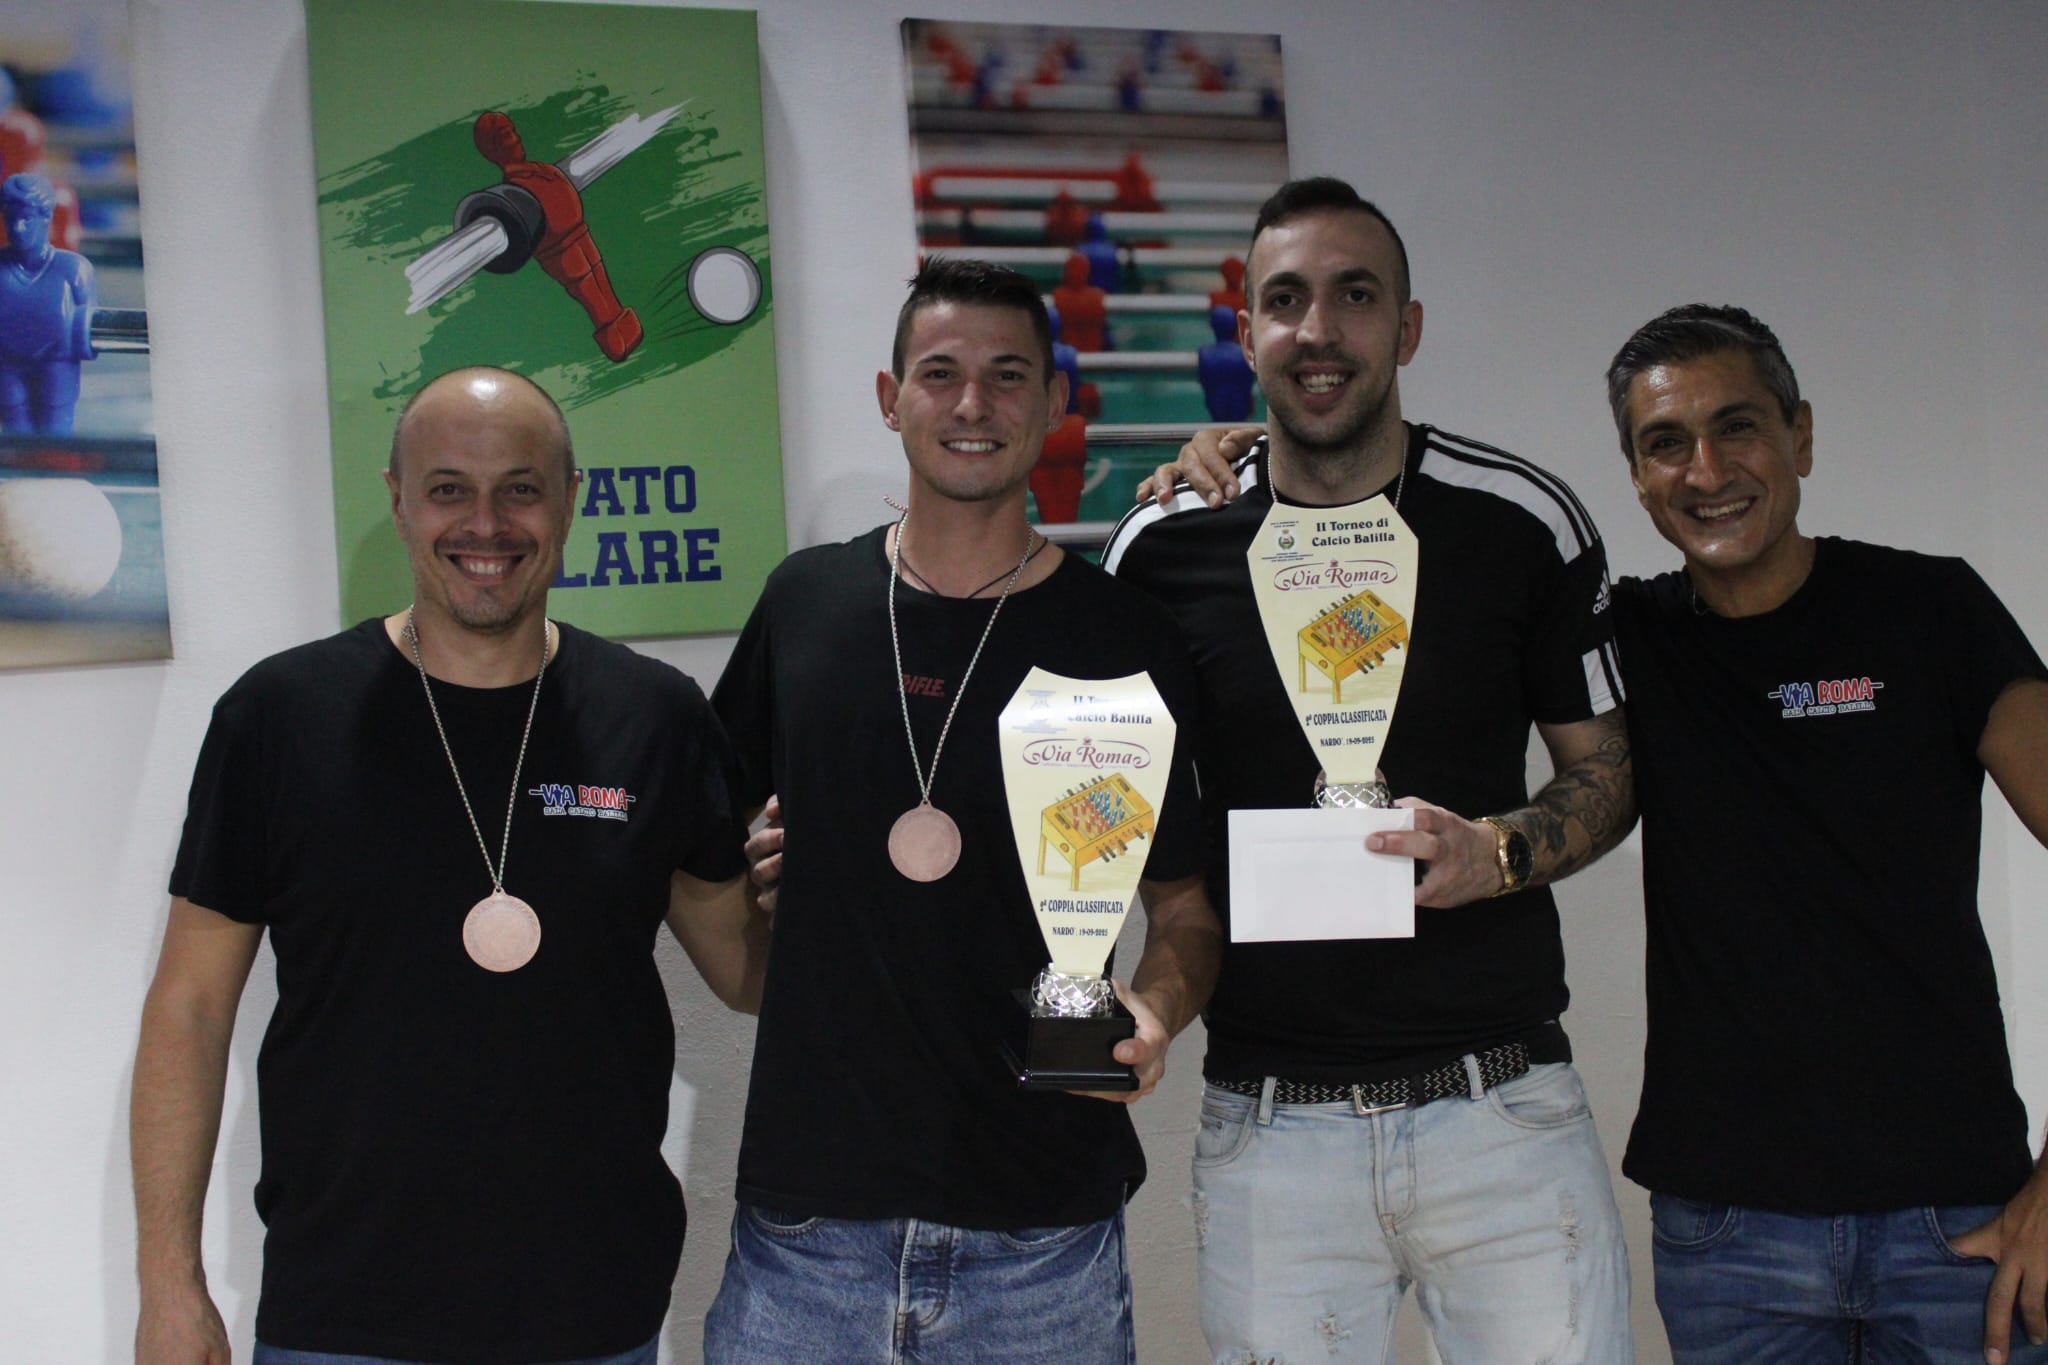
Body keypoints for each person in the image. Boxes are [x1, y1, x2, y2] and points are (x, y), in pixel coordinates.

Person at [130, 367, 763, 1365]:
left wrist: (839, 879)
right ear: (397, 500)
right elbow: (189, 1010)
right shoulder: (279, 719)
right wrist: (169, 1285)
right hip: (342, 1317)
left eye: (521, 488)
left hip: (591, 1314)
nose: (486, 524)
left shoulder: (655, 718)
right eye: (447, 490)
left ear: (570, 499)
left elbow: (746, 972)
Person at [1116, 176, 1636, 1363]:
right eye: (1284, 300)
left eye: (1354, 296)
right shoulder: (1161, 545)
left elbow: (1607, 770)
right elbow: (1119, 810)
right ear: (1243, 329)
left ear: (1405, 328)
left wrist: (1496, 853)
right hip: (1271, 1133)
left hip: (1502, 1115)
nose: (1318, 329)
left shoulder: (1516, 521)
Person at [704, 257, 1222, 1364]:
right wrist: (753, 932)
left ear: (1054, 402)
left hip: (1043, 1238)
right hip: (808, 1232)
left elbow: (1184, 909)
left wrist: (1157, 1009)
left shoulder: (1125, 637)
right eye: (939, 373)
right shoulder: (805, 604)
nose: (972, 403)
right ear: (890, 399)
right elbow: (692, 836)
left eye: (1007, 375)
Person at [1604, 304, 2048, 1364]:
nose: (1706, 470)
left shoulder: (1930, 610)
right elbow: (1431, 576)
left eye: (1737, 426)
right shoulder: (1625, 638)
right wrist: (1250, 457)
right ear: (1637, 477)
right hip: (1726, 1238)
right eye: (1665, 443)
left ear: (1799, 436)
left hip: (1960, 1225)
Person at [472, 110, 644, 363]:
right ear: (493, 149)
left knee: (602, 286)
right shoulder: (510, 190)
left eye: (512, 132)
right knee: (592, 294)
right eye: (505, 136)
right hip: (560, 249)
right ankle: (615, 342)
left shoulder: (540, 170)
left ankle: (627, 330)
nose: (515, 139)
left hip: (578, 233)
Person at [0, 172, 95, 434]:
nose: (18, 228)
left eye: (27, 218)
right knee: (16, 438)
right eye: (11, 218)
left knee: (56, 435)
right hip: (7, 368)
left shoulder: (73, 269)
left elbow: (89, 328)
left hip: (57, 366)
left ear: (46, 217)